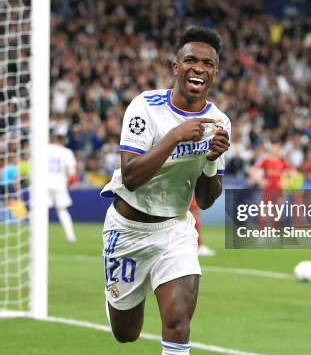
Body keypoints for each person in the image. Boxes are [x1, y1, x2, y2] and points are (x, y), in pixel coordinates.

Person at [99, 26, 230, 354]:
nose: (199, 67)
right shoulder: (145, 107)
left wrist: (212, 162)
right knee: (126, 333)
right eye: (191, 60)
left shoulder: (219, 122)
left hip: (174, 230)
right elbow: (130, 176)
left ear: (214, 73)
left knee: (177, 322)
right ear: (176, 67)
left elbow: (206, 198)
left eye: (207, 63)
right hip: (127, 231)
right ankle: (123, 295)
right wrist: (174, 136)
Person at [249, 143, 294, 228]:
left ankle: (274, 233)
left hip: (278, 190)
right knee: (264, 211)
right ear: (271, 149)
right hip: (267, 190)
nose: (275, 150)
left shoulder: (282, 161)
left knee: (276, 212)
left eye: (277, 148)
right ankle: (261, 234)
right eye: (274, 148)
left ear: (279, 149)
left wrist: (286, 182)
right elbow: (252, 170)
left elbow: (293, 172)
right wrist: (260, 180)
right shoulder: (266, 160)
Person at [48, 133, 78, 242]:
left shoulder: (43, 149)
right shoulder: (66, 152)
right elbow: (72, 171)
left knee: (40, 210)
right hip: (59, 183)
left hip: (43, 183)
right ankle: (70, 236)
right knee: (62, 210)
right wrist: (71, 182)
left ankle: (35, 235)